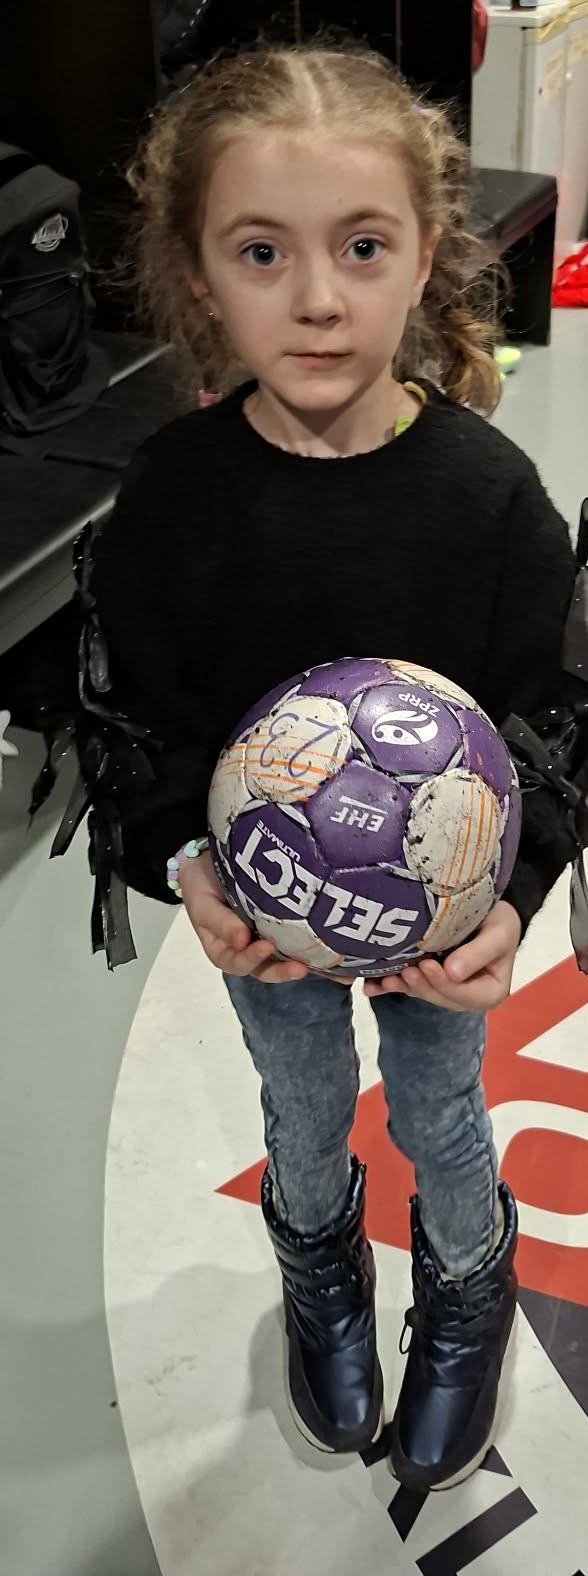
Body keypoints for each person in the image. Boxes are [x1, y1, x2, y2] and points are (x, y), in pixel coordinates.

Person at [54, 39, 586, 1490]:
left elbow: (555, 714)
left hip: (440, 934)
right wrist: (186, 860)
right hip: (267, 918)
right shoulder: (173, 500)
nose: (317, 298)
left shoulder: (491, 498)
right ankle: (320, 1266)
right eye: (260, 252)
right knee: (300, 1112)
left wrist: (506, 901)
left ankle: (467, 1280)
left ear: (427, 256)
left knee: (437, 1112)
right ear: (197, 274)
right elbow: (135, 716)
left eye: (361, 246)